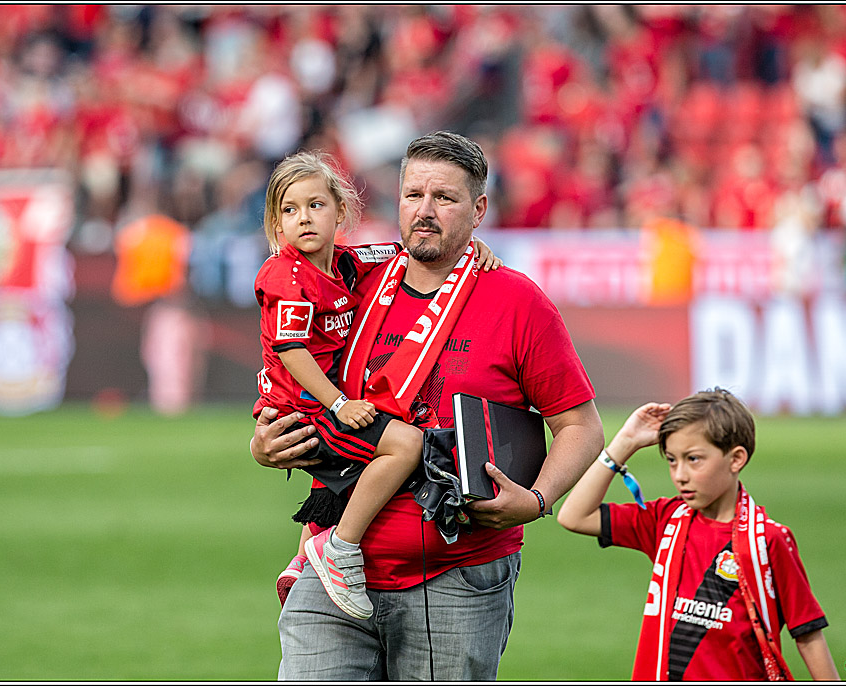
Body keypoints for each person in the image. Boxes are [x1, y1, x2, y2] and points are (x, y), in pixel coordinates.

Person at [250, 131, 604, 680]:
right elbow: (289, 364)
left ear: (479, 209)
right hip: (333, 566)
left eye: (445, 198)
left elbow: (581, 426)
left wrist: (537, 500)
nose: (425, 211)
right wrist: (267, 439)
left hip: (455, 578)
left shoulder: (519, 301)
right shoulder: (353, 280)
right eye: (414, 195)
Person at [254, 151, 500, 620]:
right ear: (275, 222)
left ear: (340, 211)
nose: (303, 218)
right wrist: (340, 402)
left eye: (315, 206)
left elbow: (408, 248)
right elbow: (292, 350)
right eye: (289, 210)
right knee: (404, 445)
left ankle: (306, 550)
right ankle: (340, 549)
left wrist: (474, 249)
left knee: (361, 455)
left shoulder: (348, 262)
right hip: (305, 409)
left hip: (320, 403)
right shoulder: (287, 276)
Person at [557, 389, 839, 681]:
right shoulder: (665, 520)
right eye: (671, 460)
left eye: (693, 459)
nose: (680, 474)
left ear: (736, 459)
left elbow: (807, 634)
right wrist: (624, 443)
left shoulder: (768, 540)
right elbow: (574, 515)